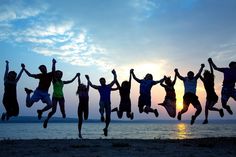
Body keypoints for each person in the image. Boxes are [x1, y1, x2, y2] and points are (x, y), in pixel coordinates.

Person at [85, 69, 117, 136]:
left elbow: (114, 80)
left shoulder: (108, 86)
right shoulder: (99, 87)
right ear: (100, 82)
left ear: (105, 81)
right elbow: (91, 85)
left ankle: (106, 128)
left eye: (103, 81)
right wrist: (88, 79)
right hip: (102, 101)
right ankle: (102, 115)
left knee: (108, 117)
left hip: (108, 103)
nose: (102, 82)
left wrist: (114, 73)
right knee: (101, 106)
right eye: (101, 81)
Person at [200, 59, 224, 124]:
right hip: (208, 97)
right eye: (205, 76)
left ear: (209, 77)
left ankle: (219, 110)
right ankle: (206, 119)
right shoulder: (204, 81)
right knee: (206, 108)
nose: (206, 77)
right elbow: (199, 75)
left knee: (210, 108)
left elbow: (212, 72)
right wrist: (201, 67)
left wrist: (210, 64)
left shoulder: (211, 80)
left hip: (213, 96)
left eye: (207, 76)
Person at [76, 73, 89, 138]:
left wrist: (88, 79)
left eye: (83, 86)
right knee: (80, 120)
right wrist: (78, 77)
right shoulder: (80, 92)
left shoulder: (87, 91)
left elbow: (88, 84)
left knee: (86, 118)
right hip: (80, 107)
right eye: (81, 86)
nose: (82, 86)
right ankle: (79, 133)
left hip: (86, 107)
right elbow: (79, 83)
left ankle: (80, 132)